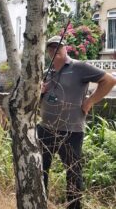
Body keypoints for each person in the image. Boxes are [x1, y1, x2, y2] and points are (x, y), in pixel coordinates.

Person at [38, 35, 116, 209]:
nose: (54, 49)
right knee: (41, 169)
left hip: (71, 130)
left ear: (66, 49)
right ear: (48, 52)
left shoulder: (79, 67)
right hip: (45, 129)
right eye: (51, 47)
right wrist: (39, 92)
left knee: (73, 172)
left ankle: (73, 206)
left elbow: (109, 80)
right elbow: (36, 102)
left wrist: (90, 101)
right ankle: (41, 203)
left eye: (58, 46)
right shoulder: (46, 73)